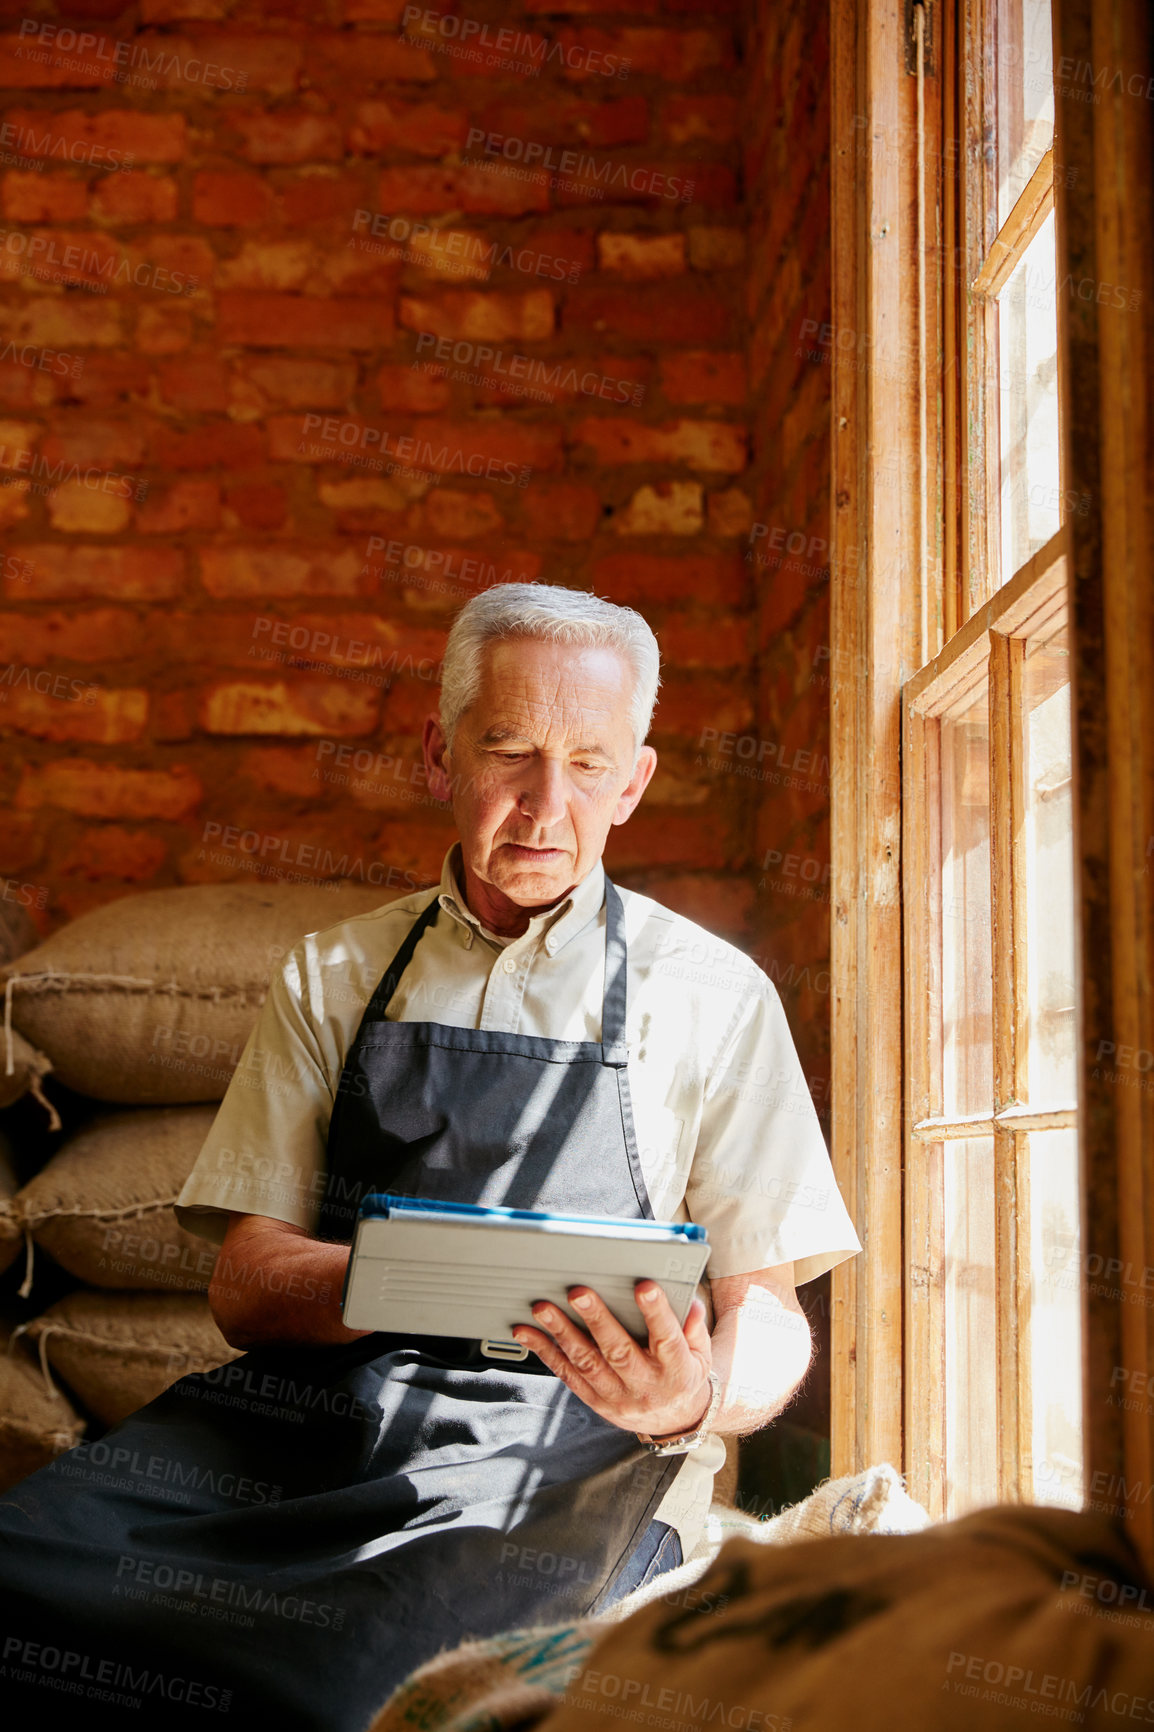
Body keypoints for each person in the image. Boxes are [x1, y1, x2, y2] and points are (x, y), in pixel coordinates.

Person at [0, 583, 861, 1729]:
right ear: (436, 753)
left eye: (589, 765)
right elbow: (245, 1284)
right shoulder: (334, 975)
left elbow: (771, 1314)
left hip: (566, 1453)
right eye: (507, 750)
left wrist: (697, 1391)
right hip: (299, 1421)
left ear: (635, 782)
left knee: (353, 1685)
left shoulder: (712, 996)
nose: (545, 805)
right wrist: (414, 1274)